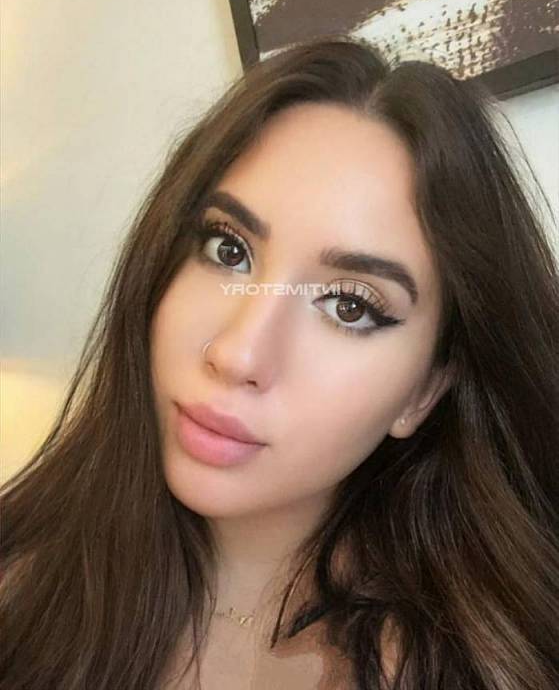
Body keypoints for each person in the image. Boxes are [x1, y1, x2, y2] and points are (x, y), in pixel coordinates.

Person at [1, 36, 558, 690]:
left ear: (425, 391)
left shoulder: (460, 669)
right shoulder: (23, 578)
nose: (236, 353)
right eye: (228, 250)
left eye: (349, 306)